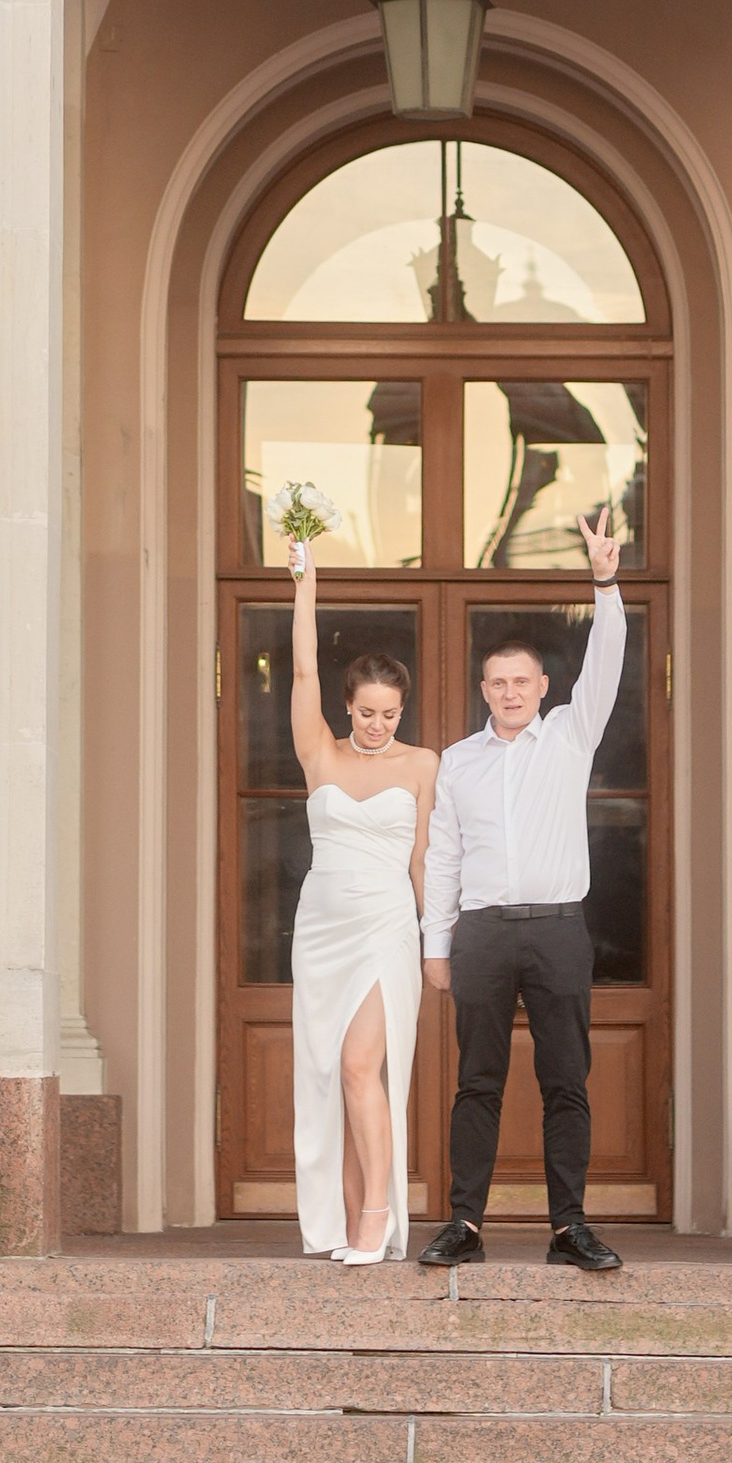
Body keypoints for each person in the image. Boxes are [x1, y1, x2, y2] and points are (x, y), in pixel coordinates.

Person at [418, 503, 625, 1271]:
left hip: (558, 930)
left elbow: (607, 659)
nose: (509, 690)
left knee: (566, 1080)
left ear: (544, 685)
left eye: (521, 680)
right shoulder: (459, 760)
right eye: (497, 681)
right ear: (484, 687)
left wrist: (605, 580)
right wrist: (435, 945)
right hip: (481, 933)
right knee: (477, 1083)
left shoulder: (571, 735)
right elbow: (442, 854)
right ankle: (464, 1223)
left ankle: (568, 1225)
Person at [286, 538, 436, 1263]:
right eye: (368, 711)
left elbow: (423, 861)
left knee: (358, 1065)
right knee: (330, 1077)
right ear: (348, 705)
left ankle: (378, 1214)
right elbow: (305, 664)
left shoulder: (422, 764)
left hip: (384, 929)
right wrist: (304, 580)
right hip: (321, 928)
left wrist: (436, 942)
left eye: (390, 713)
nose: (378, 725)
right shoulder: (319, 750)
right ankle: (350, 1227)